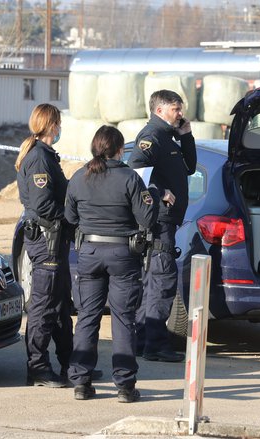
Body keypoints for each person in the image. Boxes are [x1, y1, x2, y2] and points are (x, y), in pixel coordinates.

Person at [65, 125, 169, 402]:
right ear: (120, 149)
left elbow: (70, 217)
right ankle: (124, 386)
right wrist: (156, 196)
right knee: (123, 318)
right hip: (122, 253)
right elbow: (147, 219)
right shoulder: (130, 178)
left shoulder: (78, 177)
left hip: (88, 252)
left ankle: (81, 382)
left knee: (88, 317)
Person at [128, 89, 196, 363]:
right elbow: (136, 170)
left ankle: (144, 341)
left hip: (168, 221)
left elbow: (190, 167)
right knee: (162, 280)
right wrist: (160, 190)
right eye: (175, 109)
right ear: (159, 111)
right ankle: (155, 344)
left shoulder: (168, 137)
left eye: (180, 109)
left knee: (155, 280)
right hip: (160, 221)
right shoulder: (151, 137)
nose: (180, 114)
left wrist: (187, 135)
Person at [15, 103, 72, 387]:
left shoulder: (46, 156)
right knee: (44, 306)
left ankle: (69, 365)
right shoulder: (38, 158)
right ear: (52, 125)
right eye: (59, 123)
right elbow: (43, 205)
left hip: (55, 240)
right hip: (47, 240)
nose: (60, 128)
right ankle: (38, 367)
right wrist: (70, 215)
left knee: (61, 305)